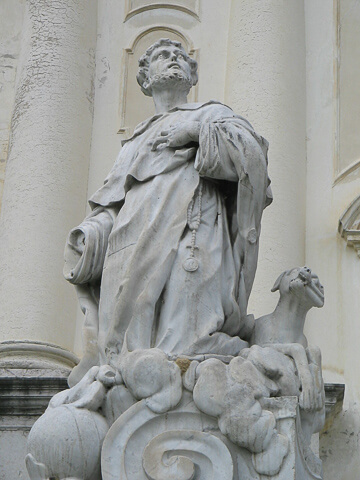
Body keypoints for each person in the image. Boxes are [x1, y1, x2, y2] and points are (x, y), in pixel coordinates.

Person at [64, 38, 272, 385]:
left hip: (194, 226)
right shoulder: (133, 142)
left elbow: (252, 157)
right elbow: (113, 203)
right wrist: (91, 235)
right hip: (132, 242)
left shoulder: (211, 114)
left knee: (188, 325)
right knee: (133, 336)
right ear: (145, 77)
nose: (174, 59)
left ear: (192, 76)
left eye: (180, 56)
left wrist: (195, 133)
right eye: (163, 55)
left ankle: (186, 386)